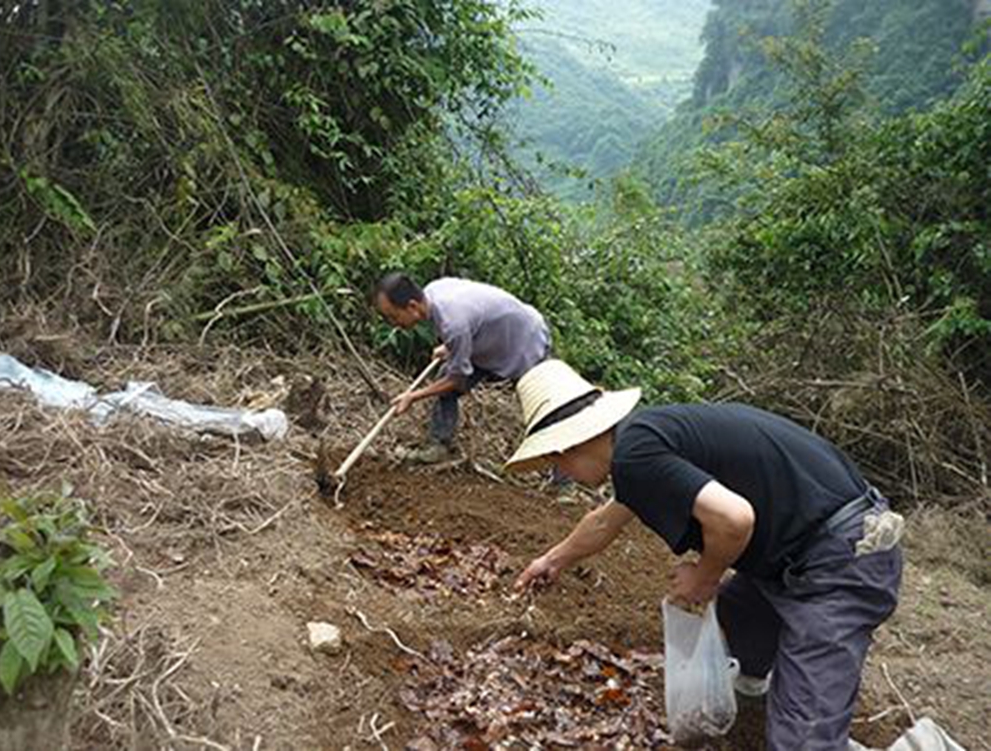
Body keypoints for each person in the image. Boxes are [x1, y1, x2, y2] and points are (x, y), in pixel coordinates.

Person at [507, 359, 904, 751]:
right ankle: (754, 709)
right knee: (733, 625)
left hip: (840, 561)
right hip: (801, 550)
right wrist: (553, 560)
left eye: (556, 460)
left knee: (804, 740)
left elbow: (735, 518)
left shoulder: (636, 456)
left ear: (572, 443)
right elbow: (605, 522)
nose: (561, 472)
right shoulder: (647, 437)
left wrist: (705, 575)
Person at [374, 272, 551, 463]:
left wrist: (412, 396)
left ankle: (563, 483)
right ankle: (439, 447)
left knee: (543, 406)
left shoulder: (453, 323)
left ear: (412, 306)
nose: (394, 324)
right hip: (491, 341)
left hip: (526, 341)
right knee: (445, 374)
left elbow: (456, 381)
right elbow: (474, 321)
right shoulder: (434, 291)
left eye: (393, 317)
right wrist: (451, 347)